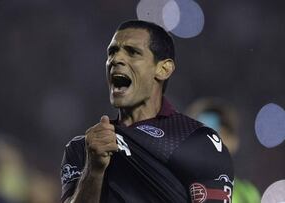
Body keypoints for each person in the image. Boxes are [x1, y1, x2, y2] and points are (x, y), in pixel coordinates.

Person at [60, 20, 234, 203]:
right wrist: (93, 170)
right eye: (112, 52)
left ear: (163, 69)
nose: (116, 59)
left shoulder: (198, 142)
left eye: (132, 52)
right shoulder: (83, 149)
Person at [186, 98, 261, 203]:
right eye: (199, 136)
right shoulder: (175, 187)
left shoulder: (248, 193)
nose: (208, 145)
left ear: (233, 141)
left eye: (217, 136)